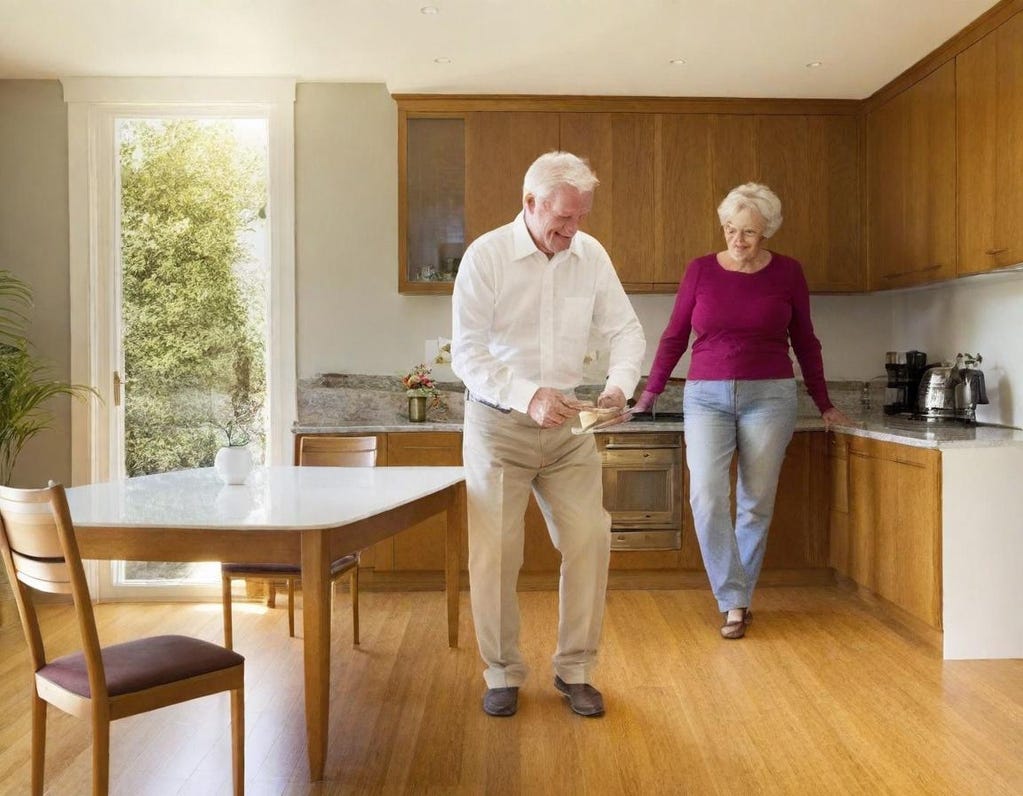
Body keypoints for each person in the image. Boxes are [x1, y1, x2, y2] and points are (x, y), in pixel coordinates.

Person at [451, 151, 645, 718]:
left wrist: (618, 386)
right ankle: (503, 672)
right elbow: (468, 351)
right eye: (563, 217)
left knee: (589, 538)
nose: (572, 229)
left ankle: (576, 670)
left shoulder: (590, 254)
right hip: (499, 426)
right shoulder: (485, 257)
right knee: (496, 554)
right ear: (529, 203)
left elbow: (625, 329)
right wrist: (526, 395)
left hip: (569, 430)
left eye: (581, 216)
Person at [632, 182, 850, 640]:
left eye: (748, 232)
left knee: (755, 503)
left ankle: (736, 604)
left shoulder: (789, 273)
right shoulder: (700, 271)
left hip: (769, 397)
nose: (737, 240)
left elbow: (806, 341)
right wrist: (648, 394)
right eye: (731, 229)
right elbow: (674, 337)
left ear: (767, 231)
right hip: (706, 397)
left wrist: (824, 402)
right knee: (707, 498)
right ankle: (733, 595)